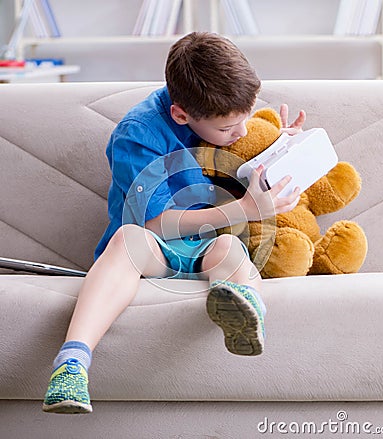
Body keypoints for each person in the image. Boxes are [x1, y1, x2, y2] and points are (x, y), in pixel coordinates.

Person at [42, 32, 305, 414]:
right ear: (182, 114)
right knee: (128, 239)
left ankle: (243, 309)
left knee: (230, 249)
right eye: (229, 128)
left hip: (208, 249)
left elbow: (245, 162)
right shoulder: (137, 134)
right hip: (155, 250)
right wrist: (244, 210)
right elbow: (156, 223)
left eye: (245, 120)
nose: (241, 134)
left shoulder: (223, 120)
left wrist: (281, 151)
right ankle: (72, 364)